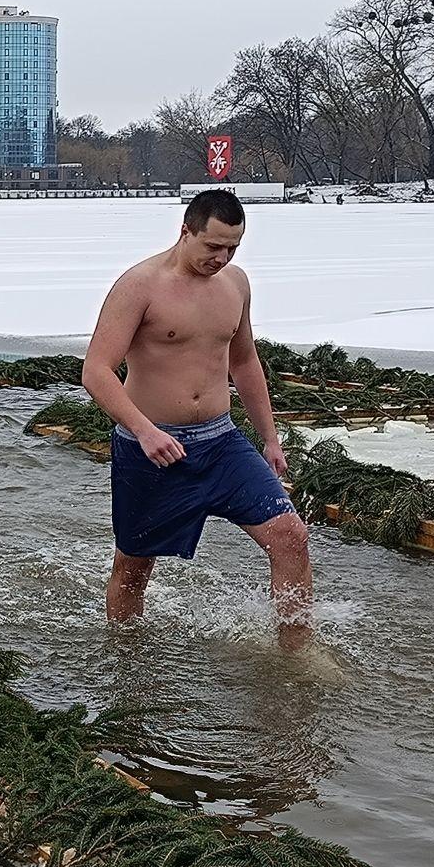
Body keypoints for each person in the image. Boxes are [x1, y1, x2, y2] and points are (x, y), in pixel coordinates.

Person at [80, 188, 312, 645]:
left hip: (221, 443)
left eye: (232, 248)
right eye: (213, 246)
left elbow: (244, 361)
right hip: (151, 450)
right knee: (133, 568)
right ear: (185, 230)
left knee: (290, 535)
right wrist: (144, 431)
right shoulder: (140, 285)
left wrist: (269, 438)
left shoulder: (235, 284)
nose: (221, 258)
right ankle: (126, 657)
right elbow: (96, 371)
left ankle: (297, 655)